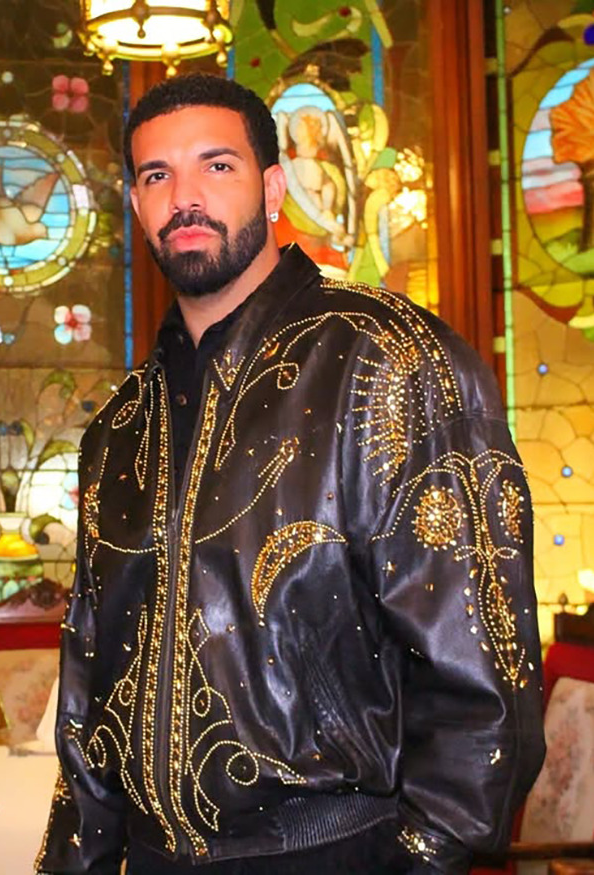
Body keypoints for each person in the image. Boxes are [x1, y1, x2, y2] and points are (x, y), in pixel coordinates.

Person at [35, 73, 545, 875]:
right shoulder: (121, 427)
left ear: (274, 186)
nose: (185, 197)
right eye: (156, 176)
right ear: (135, 205)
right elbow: (90, 688)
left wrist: (419, 859)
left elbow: (484, 678)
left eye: (217, 165)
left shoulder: (389, 362)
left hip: (335, 853)